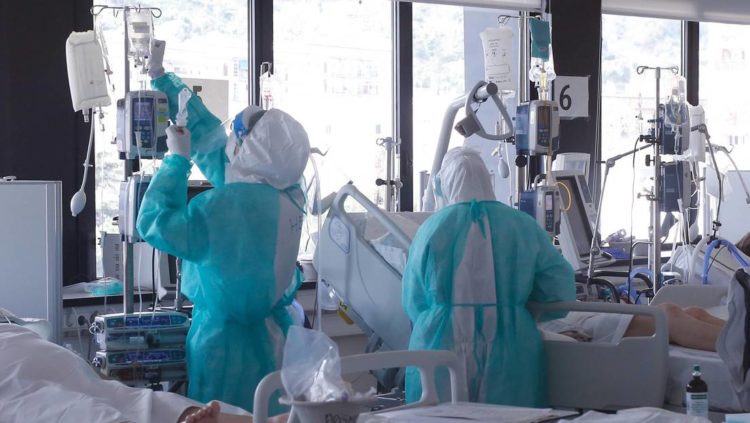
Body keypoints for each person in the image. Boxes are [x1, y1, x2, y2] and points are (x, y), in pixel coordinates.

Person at [137, 40, 310, 412]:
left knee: (218, 416)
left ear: (249, 149)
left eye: (238, 137)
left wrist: (175, 163)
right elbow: (214, 144)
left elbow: (154, 223)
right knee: (271, 416)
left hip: (220, 342)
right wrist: (163, 79)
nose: (229, 141)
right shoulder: (289, 194)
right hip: (276, 337)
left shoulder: (220, 207)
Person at [402, 147, 576, 407]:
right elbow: (558, 290)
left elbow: (413, 301)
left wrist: (442, 315)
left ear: (444, 184)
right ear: (487, 179)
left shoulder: (432, 229)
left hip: (439, 342)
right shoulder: (522, 225)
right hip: (510, 342)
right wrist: (520, 308)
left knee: (437, 416)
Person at [0, 324, 292, 423]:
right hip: (23, 369)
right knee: (118, 403)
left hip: (29, 356)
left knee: (122, 399)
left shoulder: (11, 323)